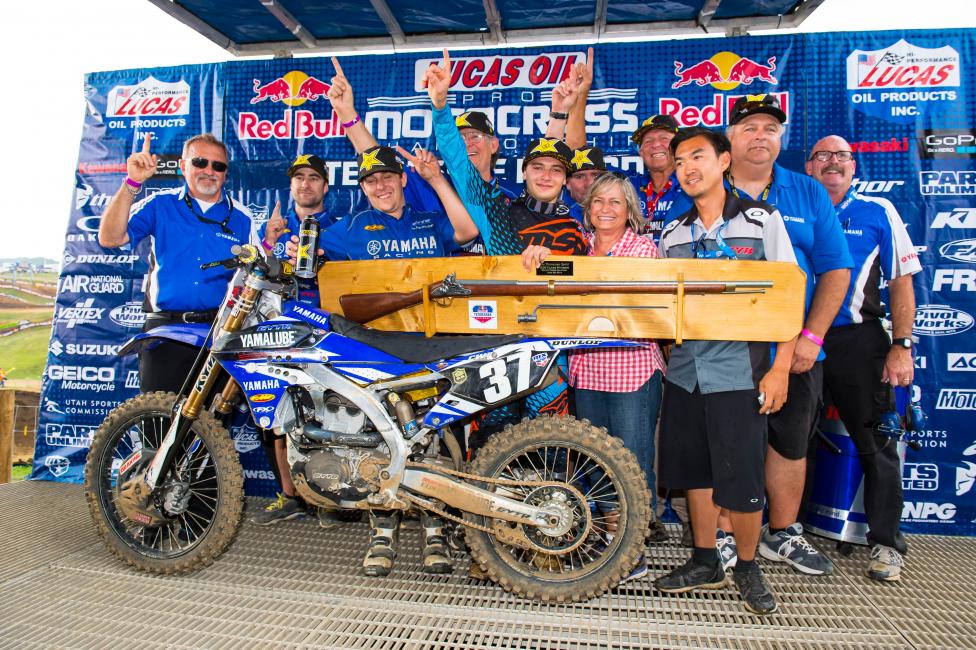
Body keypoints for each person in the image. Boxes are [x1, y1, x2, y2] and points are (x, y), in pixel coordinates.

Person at [285, 142, 477, 578]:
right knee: (380, 442)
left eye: (387, 177)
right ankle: (382, 533)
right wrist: (296, 244)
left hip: (434, 348)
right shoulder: (349, 228)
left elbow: (466, 232)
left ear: (402, 179)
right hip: (376, 356)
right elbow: (304, 253)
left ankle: (435, 532)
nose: (379, 185)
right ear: (363, 188)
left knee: (437, 441)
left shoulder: (429, 219)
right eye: (370, 181)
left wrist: (435, 179)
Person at [654, 126, 798, 616]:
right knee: (696, 470)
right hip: (685, 372)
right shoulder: (672, 234)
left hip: (741, 371)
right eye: (678, 161)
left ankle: (748, 565)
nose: (687, 167)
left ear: (724, 162)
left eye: (698, 156)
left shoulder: (762, 222)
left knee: (741, 475)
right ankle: (703, 559)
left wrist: (780, 370)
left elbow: (788, 298)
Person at [716, 95, 853, 576]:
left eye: (770, 128)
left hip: (793, 347)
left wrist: (811, 338)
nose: (760, 135)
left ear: (781, 139)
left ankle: (783, 532)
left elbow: (836, 269)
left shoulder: (808, 192)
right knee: (729, 441)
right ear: (730, 137)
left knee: (789, 442)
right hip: (723, 346)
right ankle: (726, 533)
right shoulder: (703, 186)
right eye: (749, 126)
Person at [524, 172, 667, 582]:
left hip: (631, 371)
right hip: (586, 372)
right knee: (593, 461)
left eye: (615, 203)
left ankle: (632, 550)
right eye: (599, 201)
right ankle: (608, 541)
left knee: (633, 461)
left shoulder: (641, 249)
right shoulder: (579, 248)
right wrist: (535, 256)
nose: (606, 208)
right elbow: (550, 282)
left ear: (630, 213)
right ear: (587, 209)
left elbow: (629, 305)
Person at [806, 135, 920, 581]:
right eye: (822, 156)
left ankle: (887, 543)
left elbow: (901, 283)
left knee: (877, 444)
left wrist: (902, 344)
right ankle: (785, 531)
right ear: (810, 166)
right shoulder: (794, 211)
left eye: (841, 156)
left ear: (853, 166)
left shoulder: (878, 211)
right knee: (790, 442)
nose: (832, 163)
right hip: (800, 341)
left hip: (859, 342)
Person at [98, 133, 255, 393]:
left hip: (217, 334)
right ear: (183, 166)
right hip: (164, 332)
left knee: (213, 429)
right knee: (158, 425)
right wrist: (132, 183)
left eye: (218, 166)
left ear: (226, 173)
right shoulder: (160, 204)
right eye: (200, 162)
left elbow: (255, 272)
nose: (209, 171)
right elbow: (110, 237)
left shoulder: (244, 217)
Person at [251, 153, 339, 527]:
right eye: (299, 177)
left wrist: (325, 256)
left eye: (314, 178)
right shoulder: (275, 231)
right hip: (280, 333)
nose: (306, 184)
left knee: (327, 415)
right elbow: (252, 282)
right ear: (291, 186)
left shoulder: (339, 227)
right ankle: (291, 497)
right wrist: (270, 245)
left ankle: (330, 500)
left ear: (325, 186)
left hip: (326, 334)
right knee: (278, 416)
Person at [628, 114, 691, 243]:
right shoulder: (629, 186)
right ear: (641, 151)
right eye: (648, 141)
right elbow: (587, 166)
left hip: (681, 261)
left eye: (664, 138)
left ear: (678, 145)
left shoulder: (694, 183)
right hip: (638, 261)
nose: (656, 144)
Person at [563, 146, 608, 222]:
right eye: (579, 177)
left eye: (596, 175)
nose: (589, 184)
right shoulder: (558, 218)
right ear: (567, 183)